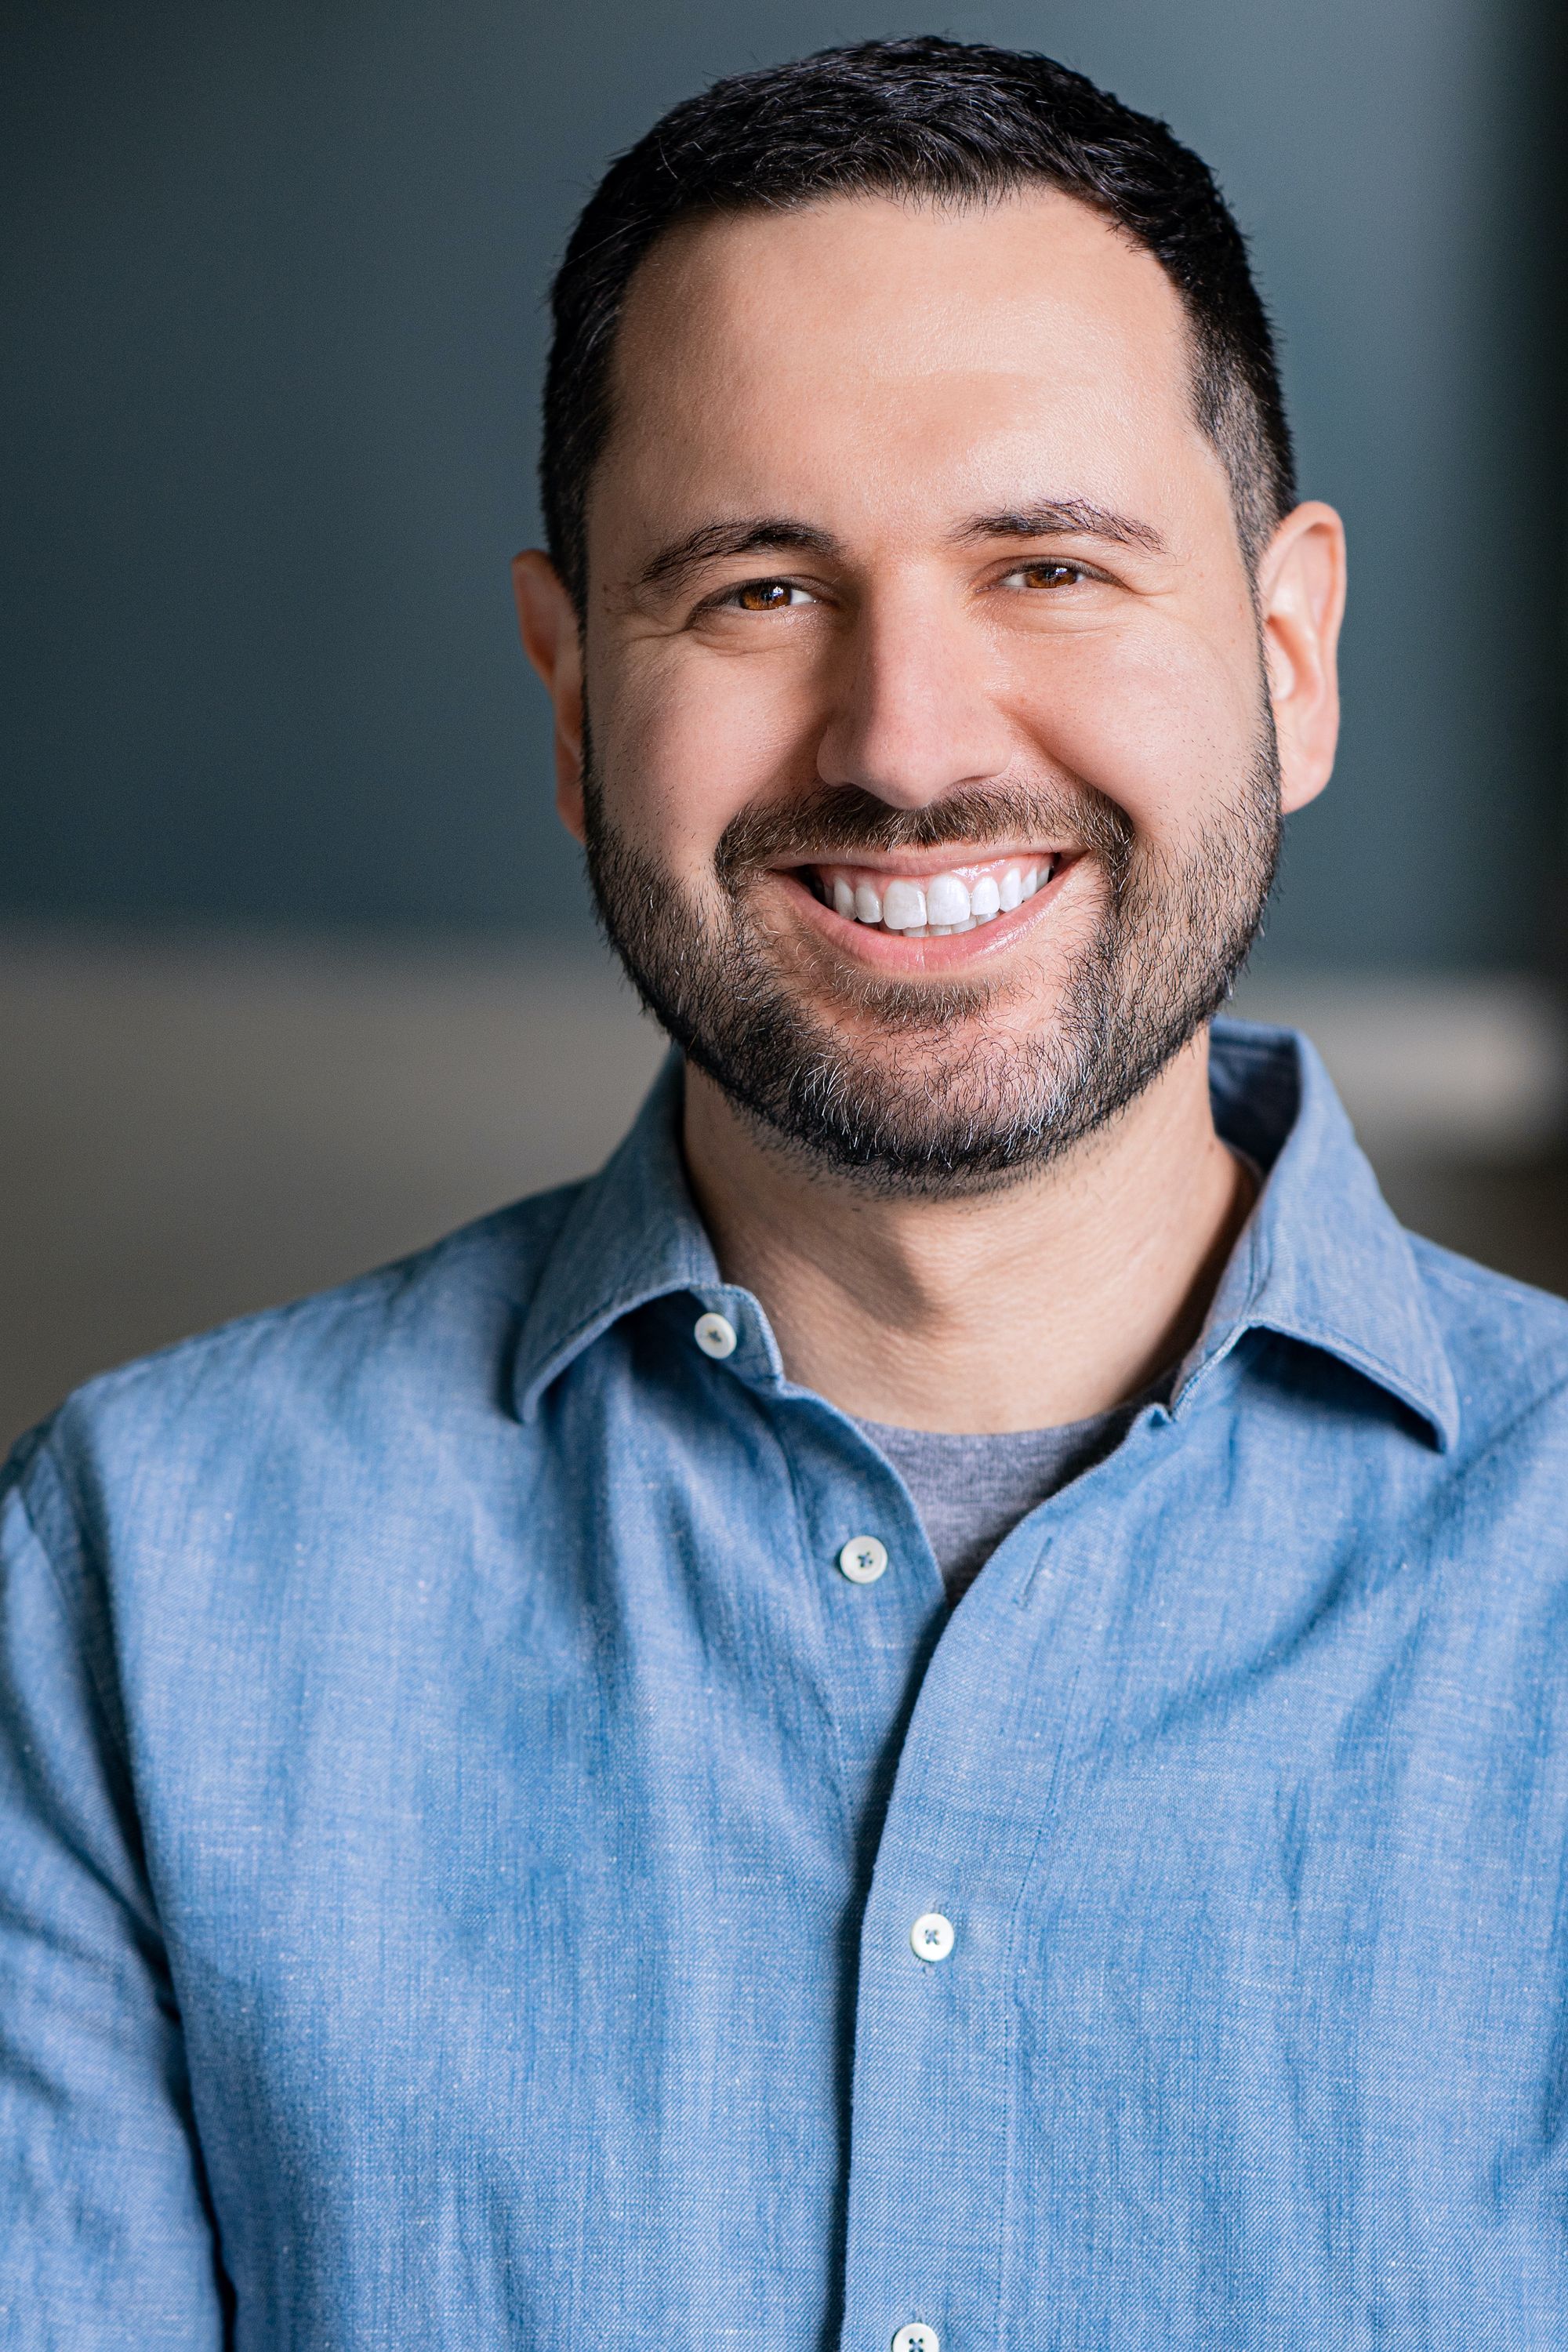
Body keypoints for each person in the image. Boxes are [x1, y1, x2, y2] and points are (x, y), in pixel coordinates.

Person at [4, 34, 1566, 2350]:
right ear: (566, 700)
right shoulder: (131, 1591)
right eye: (754, 590)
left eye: (1048, 565)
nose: (908, 742)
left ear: (1288, 654)